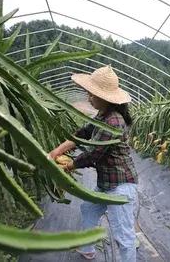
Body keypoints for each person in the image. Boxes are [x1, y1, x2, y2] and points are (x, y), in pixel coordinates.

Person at [49, 65, 138, 261]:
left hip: (120, 186)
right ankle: (87, 248)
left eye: (91, 94)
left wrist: (68, 166)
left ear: (104, 97)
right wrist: (56, 151)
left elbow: (93, 155)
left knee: (123, 236)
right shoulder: (101, 116)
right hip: (106, 183)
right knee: (88, 208)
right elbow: (81, 135)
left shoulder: (113, 121)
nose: (88, 97)